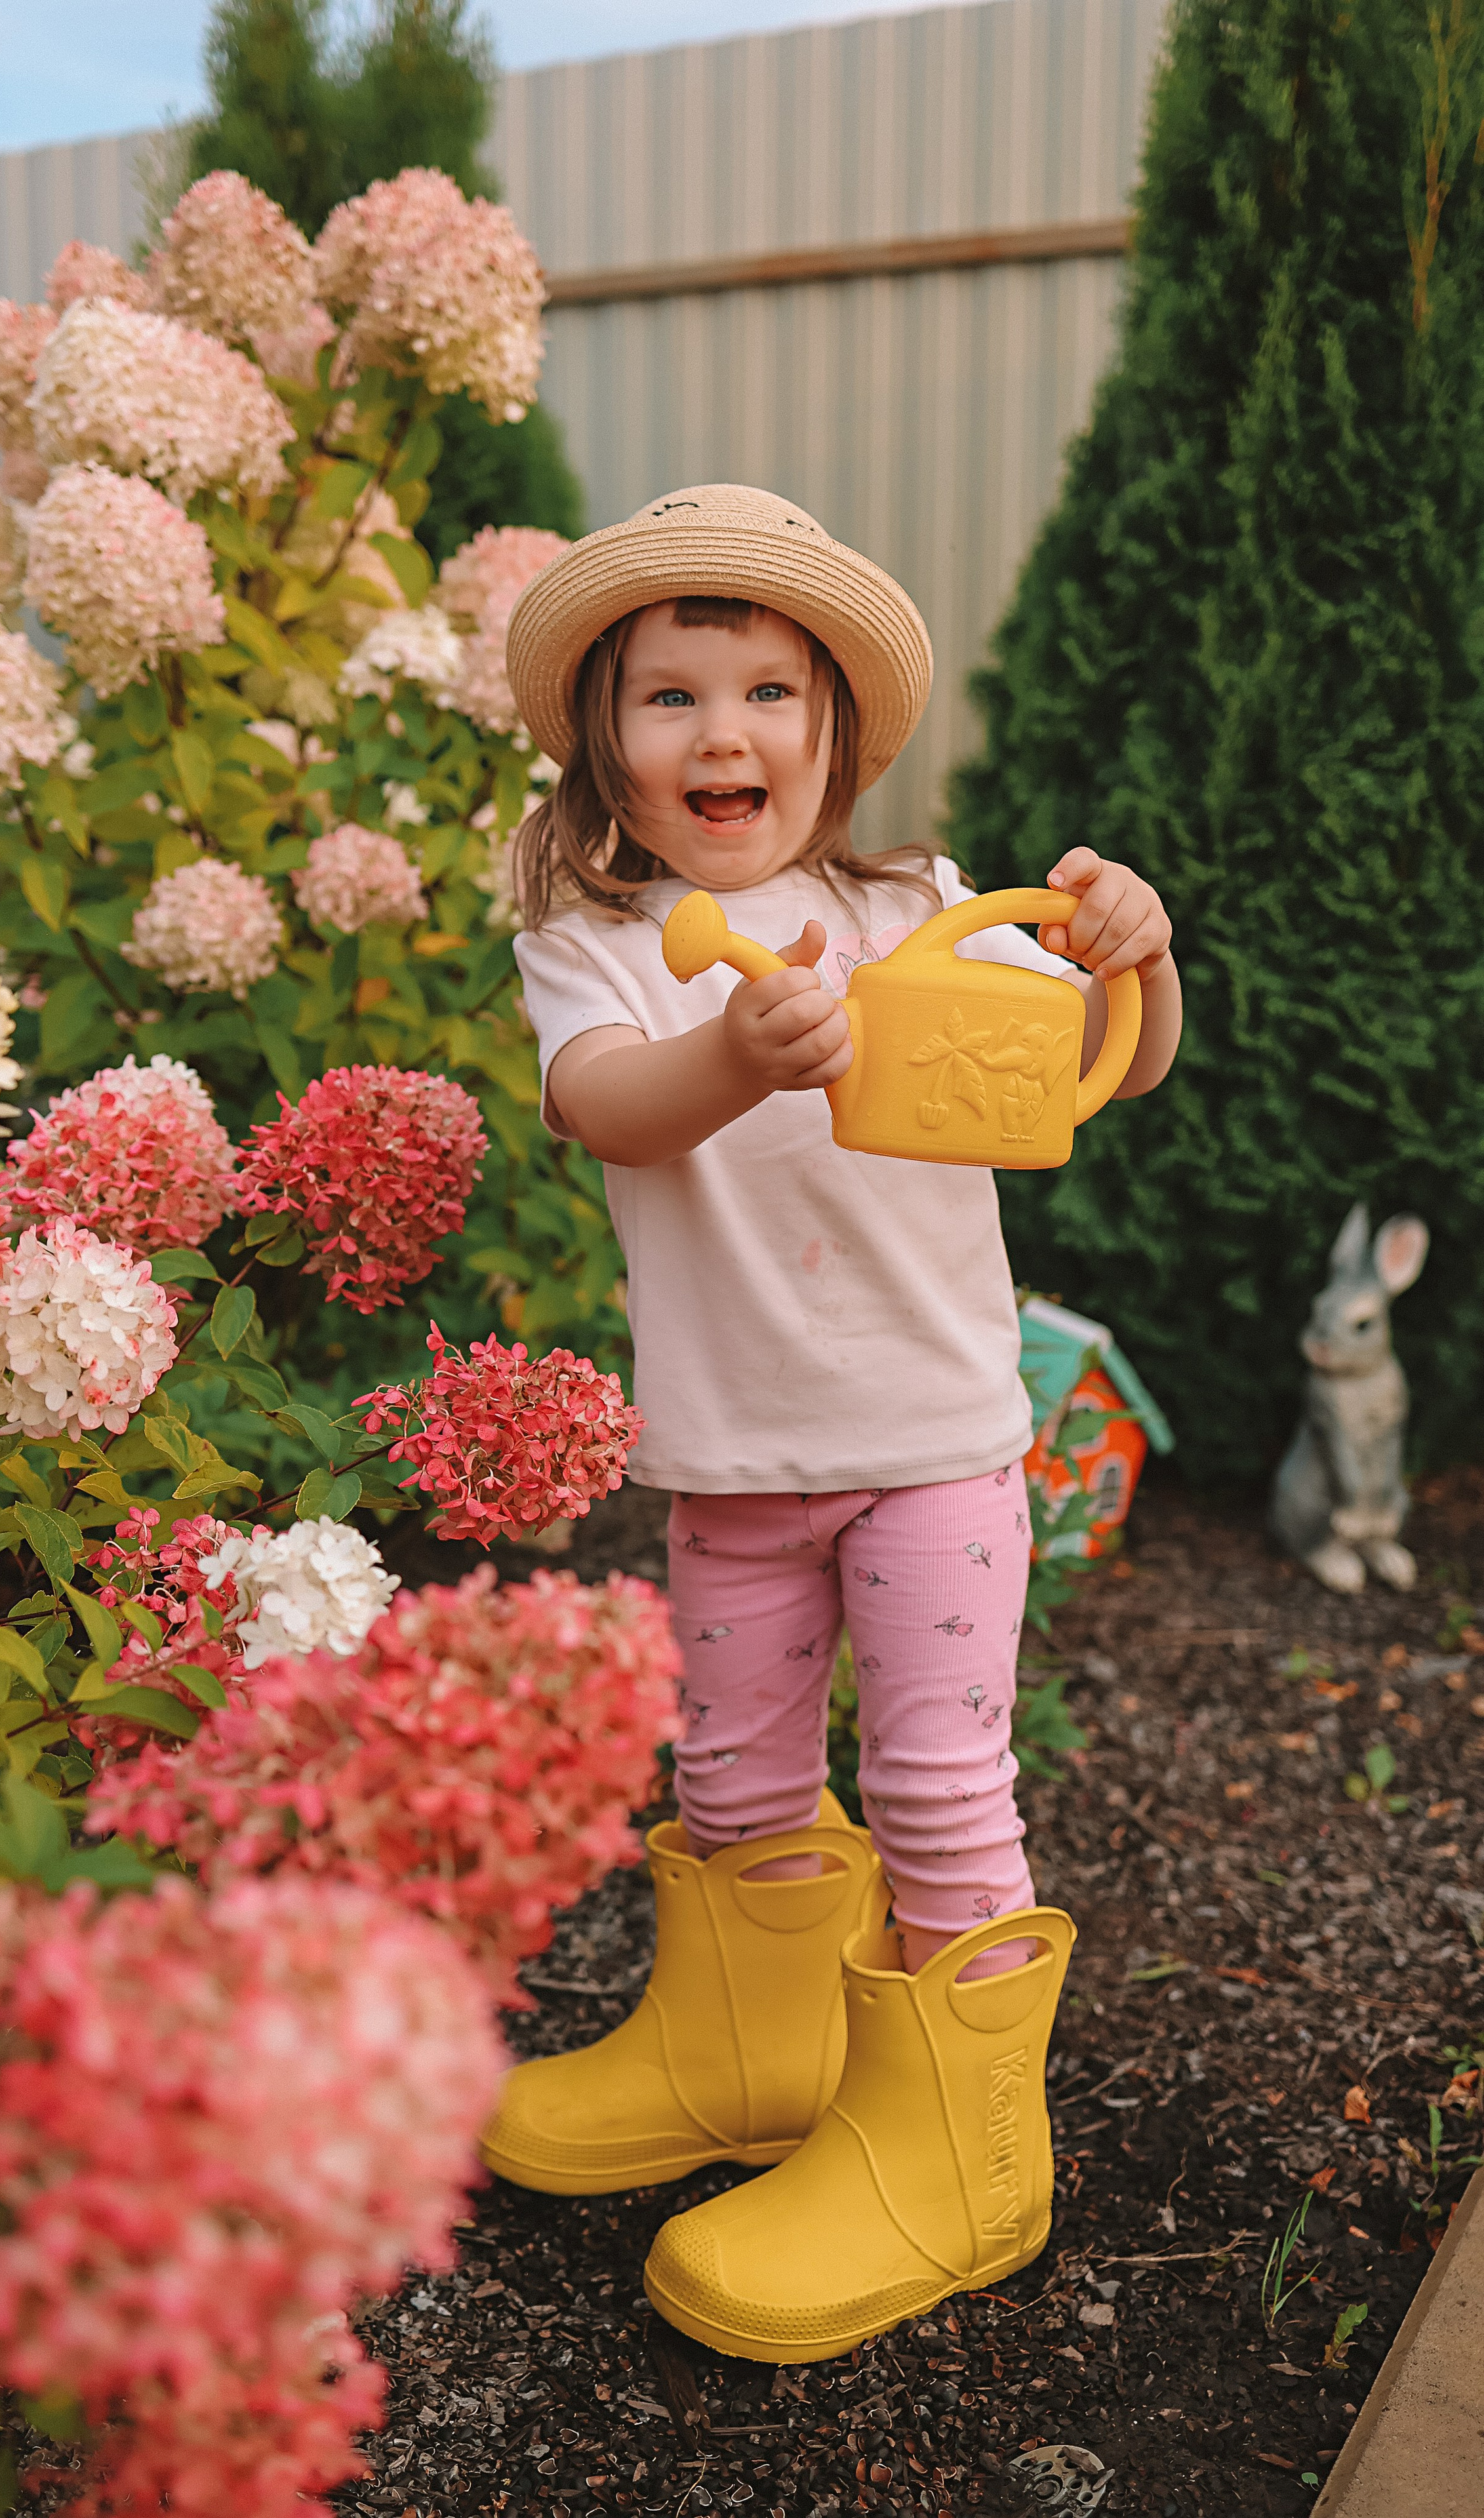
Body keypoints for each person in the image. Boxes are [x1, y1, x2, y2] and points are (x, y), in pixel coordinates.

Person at [480, 485, 1182, 2363]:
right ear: (603, 757)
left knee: (942, 1791)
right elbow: (611, 1107)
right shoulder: (605, 943)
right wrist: (731, 1053)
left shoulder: (920, 910)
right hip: (736, 1462)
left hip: (936, 1445)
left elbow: (1101, 1064)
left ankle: (966, 2158)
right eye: (672, 699)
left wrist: (1136, 948)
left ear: (837, 733)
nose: (728, 733)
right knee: (735, 1770)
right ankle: (753, 2052)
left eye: (773, 693)